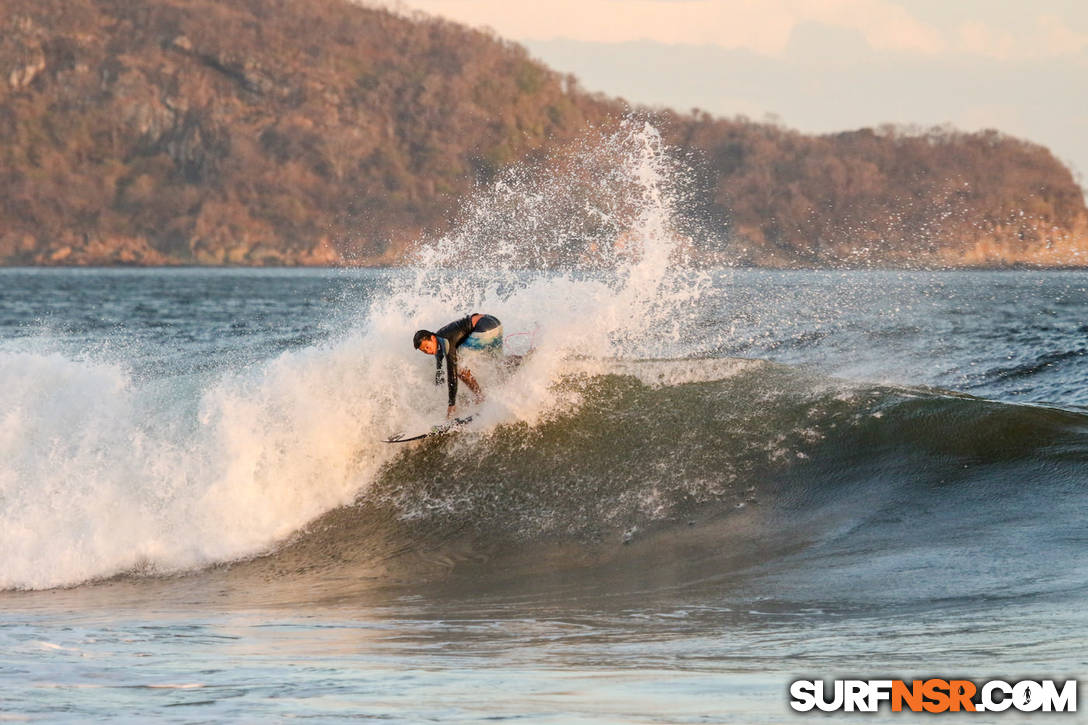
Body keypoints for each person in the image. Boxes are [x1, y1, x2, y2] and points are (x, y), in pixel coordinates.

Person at [413, 313, 503, 417]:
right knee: (498, 361)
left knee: (459, 368)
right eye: (424, 351)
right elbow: (439, 368)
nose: (428, 351)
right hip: (493, 322)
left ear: (433, 338)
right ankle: (524, 361)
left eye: (427, 347)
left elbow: (452, 371)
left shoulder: (445, 341)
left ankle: (480, 396)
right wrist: (436, 393)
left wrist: (452, 404)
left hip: (483, 327)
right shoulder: (439, 340)